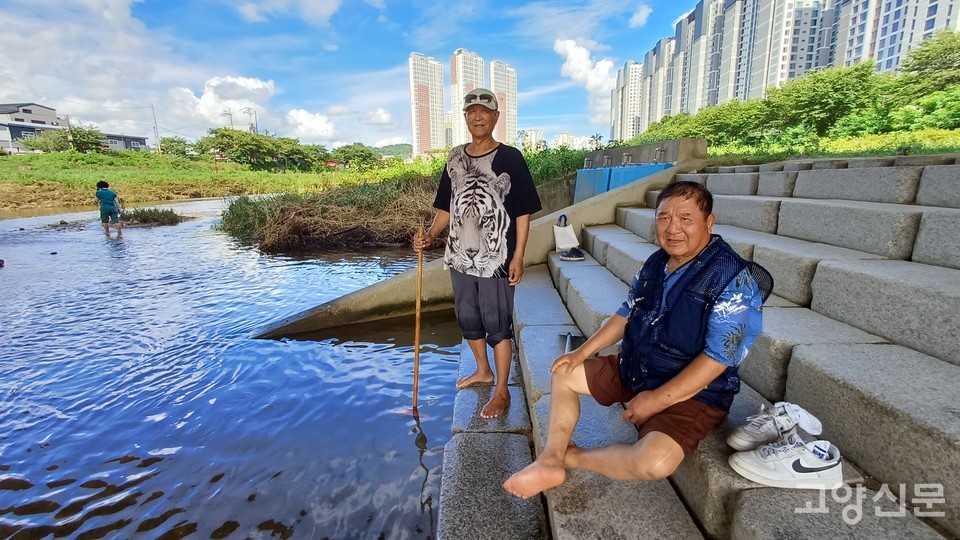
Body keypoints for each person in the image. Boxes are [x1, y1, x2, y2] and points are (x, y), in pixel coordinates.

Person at [503, 181, 772, 498]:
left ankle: (571, 456)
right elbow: (627, 312)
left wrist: (655, 401)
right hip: (637, 367)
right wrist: (583, 352)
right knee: (564, 371)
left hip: (696, 393)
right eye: (663, 218)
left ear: (708, 222)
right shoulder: (658, 262)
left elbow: (717, 360)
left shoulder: (734, 278)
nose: (672, 229)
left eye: (685, 218)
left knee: (654, 462)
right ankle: (549, 461)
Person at [414, 88, 542, 418]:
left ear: (496, 117)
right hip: (458, 255)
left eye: (485, 111)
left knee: (497, 323)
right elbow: (445, 208)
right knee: (468, 318)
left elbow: (524, 212)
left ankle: (501, 390)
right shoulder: (455, 157)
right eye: (472, 111)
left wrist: (518, 256)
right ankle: (482, 370)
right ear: (466, 117)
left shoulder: (511, 158)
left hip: (496, 257)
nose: (478, 116)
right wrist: (430, 234)